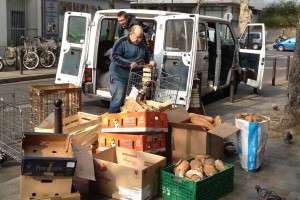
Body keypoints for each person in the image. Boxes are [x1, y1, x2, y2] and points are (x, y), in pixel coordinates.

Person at [109, 25, 157, 113]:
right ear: (131, 34)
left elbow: (147, 55)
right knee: (117, 102)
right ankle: (112, 122)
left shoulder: (141, 44)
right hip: (120, 77)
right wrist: (129, 64)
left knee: (135, 103)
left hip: (135, 78)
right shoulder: (121, 42)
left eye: (141, 37)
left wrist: (151, 61)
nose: (139, 39)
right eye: (138, 37)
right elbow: (114, 57)